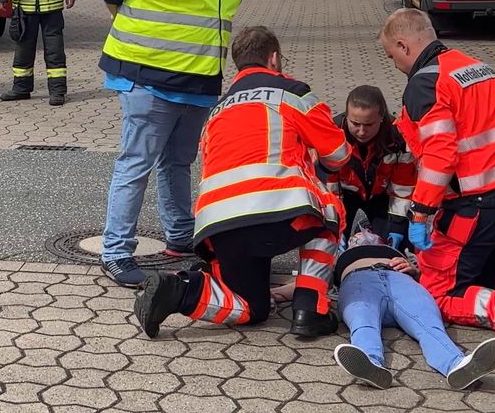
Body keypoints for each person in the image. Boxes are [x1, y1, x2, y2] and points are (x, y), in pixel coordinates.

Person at [134, 26, 350, 338]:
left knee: (252, 308)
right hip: (278, 215)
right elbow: (339, 156)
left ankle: (178, 290)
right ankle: (310, 308)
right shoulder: (294, 93)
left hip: (218, 226)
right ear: (274, 59)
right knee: (329, 208)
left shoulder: (218, 110)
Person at [95, 0, 254, 287]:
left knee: (177, 163)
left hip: (198, 83)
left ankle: (181, 238)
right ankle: (116, 251)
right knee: (137, 164)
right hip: (149, 79)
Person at [379, 8, 495, 339]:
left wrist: (420, 214)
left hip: (478, 206)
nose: (394, 63)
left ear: (404, 45)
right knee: (482, 281)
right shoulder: (474, 66)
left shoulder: (425, 83)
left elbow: (439, 155)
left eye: (391, 54)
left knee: (439, 295)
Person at [271, 227, 495, 390]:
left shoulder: (402, 255)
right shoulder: (339, 257)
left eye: (370, 234)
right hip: (358, 282)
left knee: (429, 326)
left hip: (401, 282)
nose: (364, 237)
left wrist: (414, 269)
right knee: (363, 323)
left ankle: (457, 366)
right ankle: (371, 365)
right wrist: (270, 296)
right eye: (358, 235)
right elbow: (308, 283)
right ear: (350, 241)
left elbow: (436, 276)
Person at [325, 85, 416, 252]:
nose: (361, 132)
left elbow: (403, 189)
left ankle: (369, 227)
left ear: (381, 117)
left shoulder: (398, 140)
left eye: (368, 124)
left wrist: (396, 227)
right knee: (327, 244)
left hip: (380, 196)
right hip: (345, 196)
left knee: (396, 247)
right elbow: (329, 189)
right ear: (346, 115)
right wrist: (334, 228)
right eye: (355, 123)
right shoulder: (332, 135)